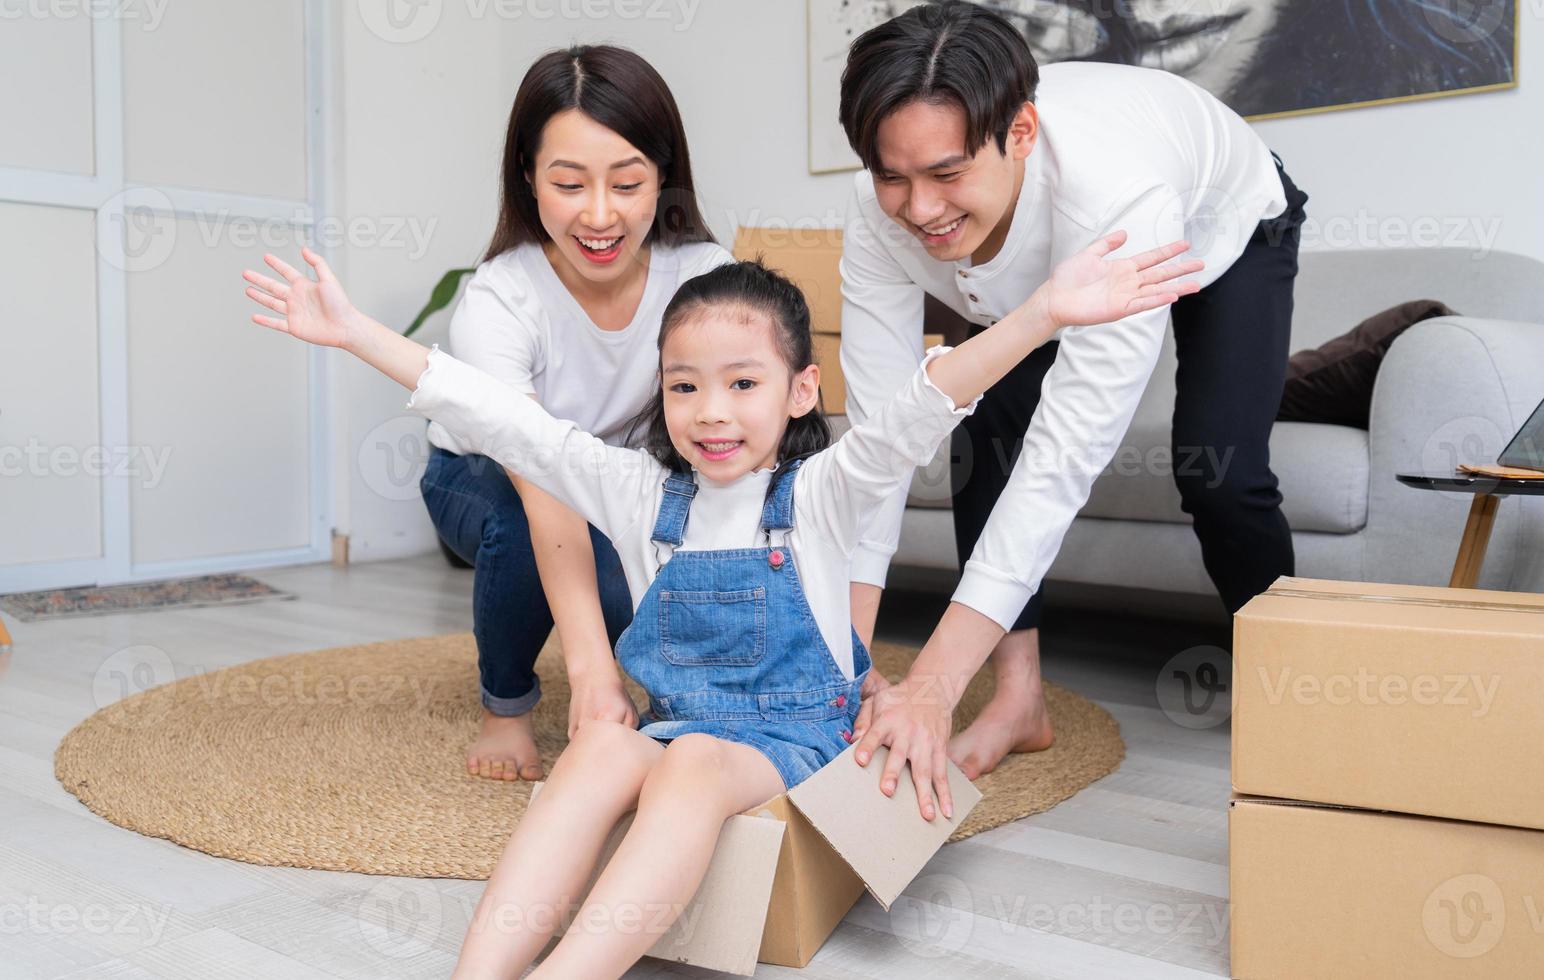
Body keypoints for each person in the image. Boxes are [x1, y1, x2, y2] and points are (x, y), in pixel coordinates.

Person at [240, 230, 1200, 976]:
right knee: (602, 744)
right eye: (685, 385)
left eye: (744, 384)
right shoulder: (634, 492)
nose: (710, 411)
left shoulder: (825, 490)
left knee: (691, 759)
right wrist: (356, 332)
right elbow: (508, 422)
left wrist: (1038, 314)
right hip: (681, 725)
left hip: (794, 736)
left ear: (798, 390)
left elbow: (922, 404)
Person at [837, 0, 1310, 786]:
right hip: (1057, 277)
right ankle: (1020, 702)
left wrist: (932, 685)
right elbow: (883, 436)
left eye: (948, 174)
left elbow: (1063, 460)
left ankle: (1303, 694)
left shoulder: (1114, 196)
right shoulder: (877, 215)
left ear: (1020, 133)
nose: (919, 209)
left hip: (1226, 225)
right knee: (981, 428)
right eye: (894, 176)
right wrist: (843, 657)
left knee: (1219, 469)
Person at [416, 44, 731, 782]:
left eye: (627, 183)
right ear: (528, 178)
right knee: (528, 529)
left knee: (624, 597)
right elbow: (541, 476)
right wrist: (591, 670)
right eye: (568, 183)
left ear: (662, 179)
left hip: (611, 481)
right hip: (485, 475)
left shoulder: (705, 276)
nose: (599, 215)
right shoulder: (501, 298)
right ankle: (506, 708)